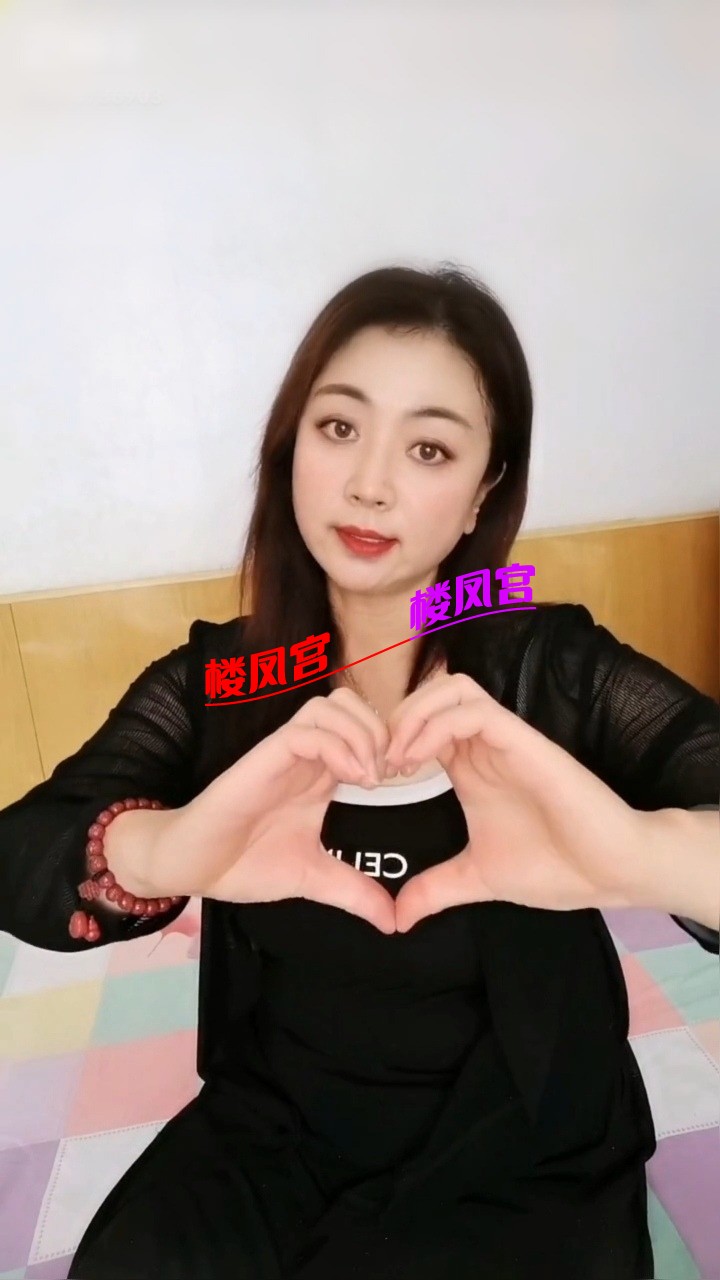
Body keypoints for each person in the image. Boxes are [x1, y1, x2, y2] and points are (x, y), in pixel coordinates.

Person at [1, 264, 718, 1280]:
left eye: (429, 448)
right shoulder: (219, 681)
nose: (370, 483)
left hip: (526, 1136)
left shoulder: (552, 671)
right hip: (277, 1128)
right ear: (290, 447)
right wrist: (165, 848)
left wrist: (640, 854)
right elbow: (24, 852)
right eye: (339, 427)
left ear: (483, 490)